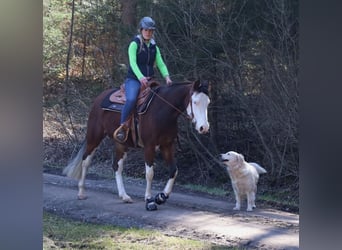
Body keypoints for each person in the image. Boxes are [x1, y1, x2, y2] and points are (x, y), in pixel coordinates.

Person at [113, 16, 172, 143]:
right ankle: (122, 126)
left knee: (162, 99)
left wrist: (167, 77)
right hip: (134, 79)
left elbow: (160, 63)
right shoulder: (134, 44)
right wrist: (140, 77)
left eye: (151, 30)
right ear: (141, 30)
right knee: (131, 99)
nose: (148, 32)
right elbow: (132, 63)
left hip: (151, 80)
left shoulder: (154, 47)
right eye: (146, 30)